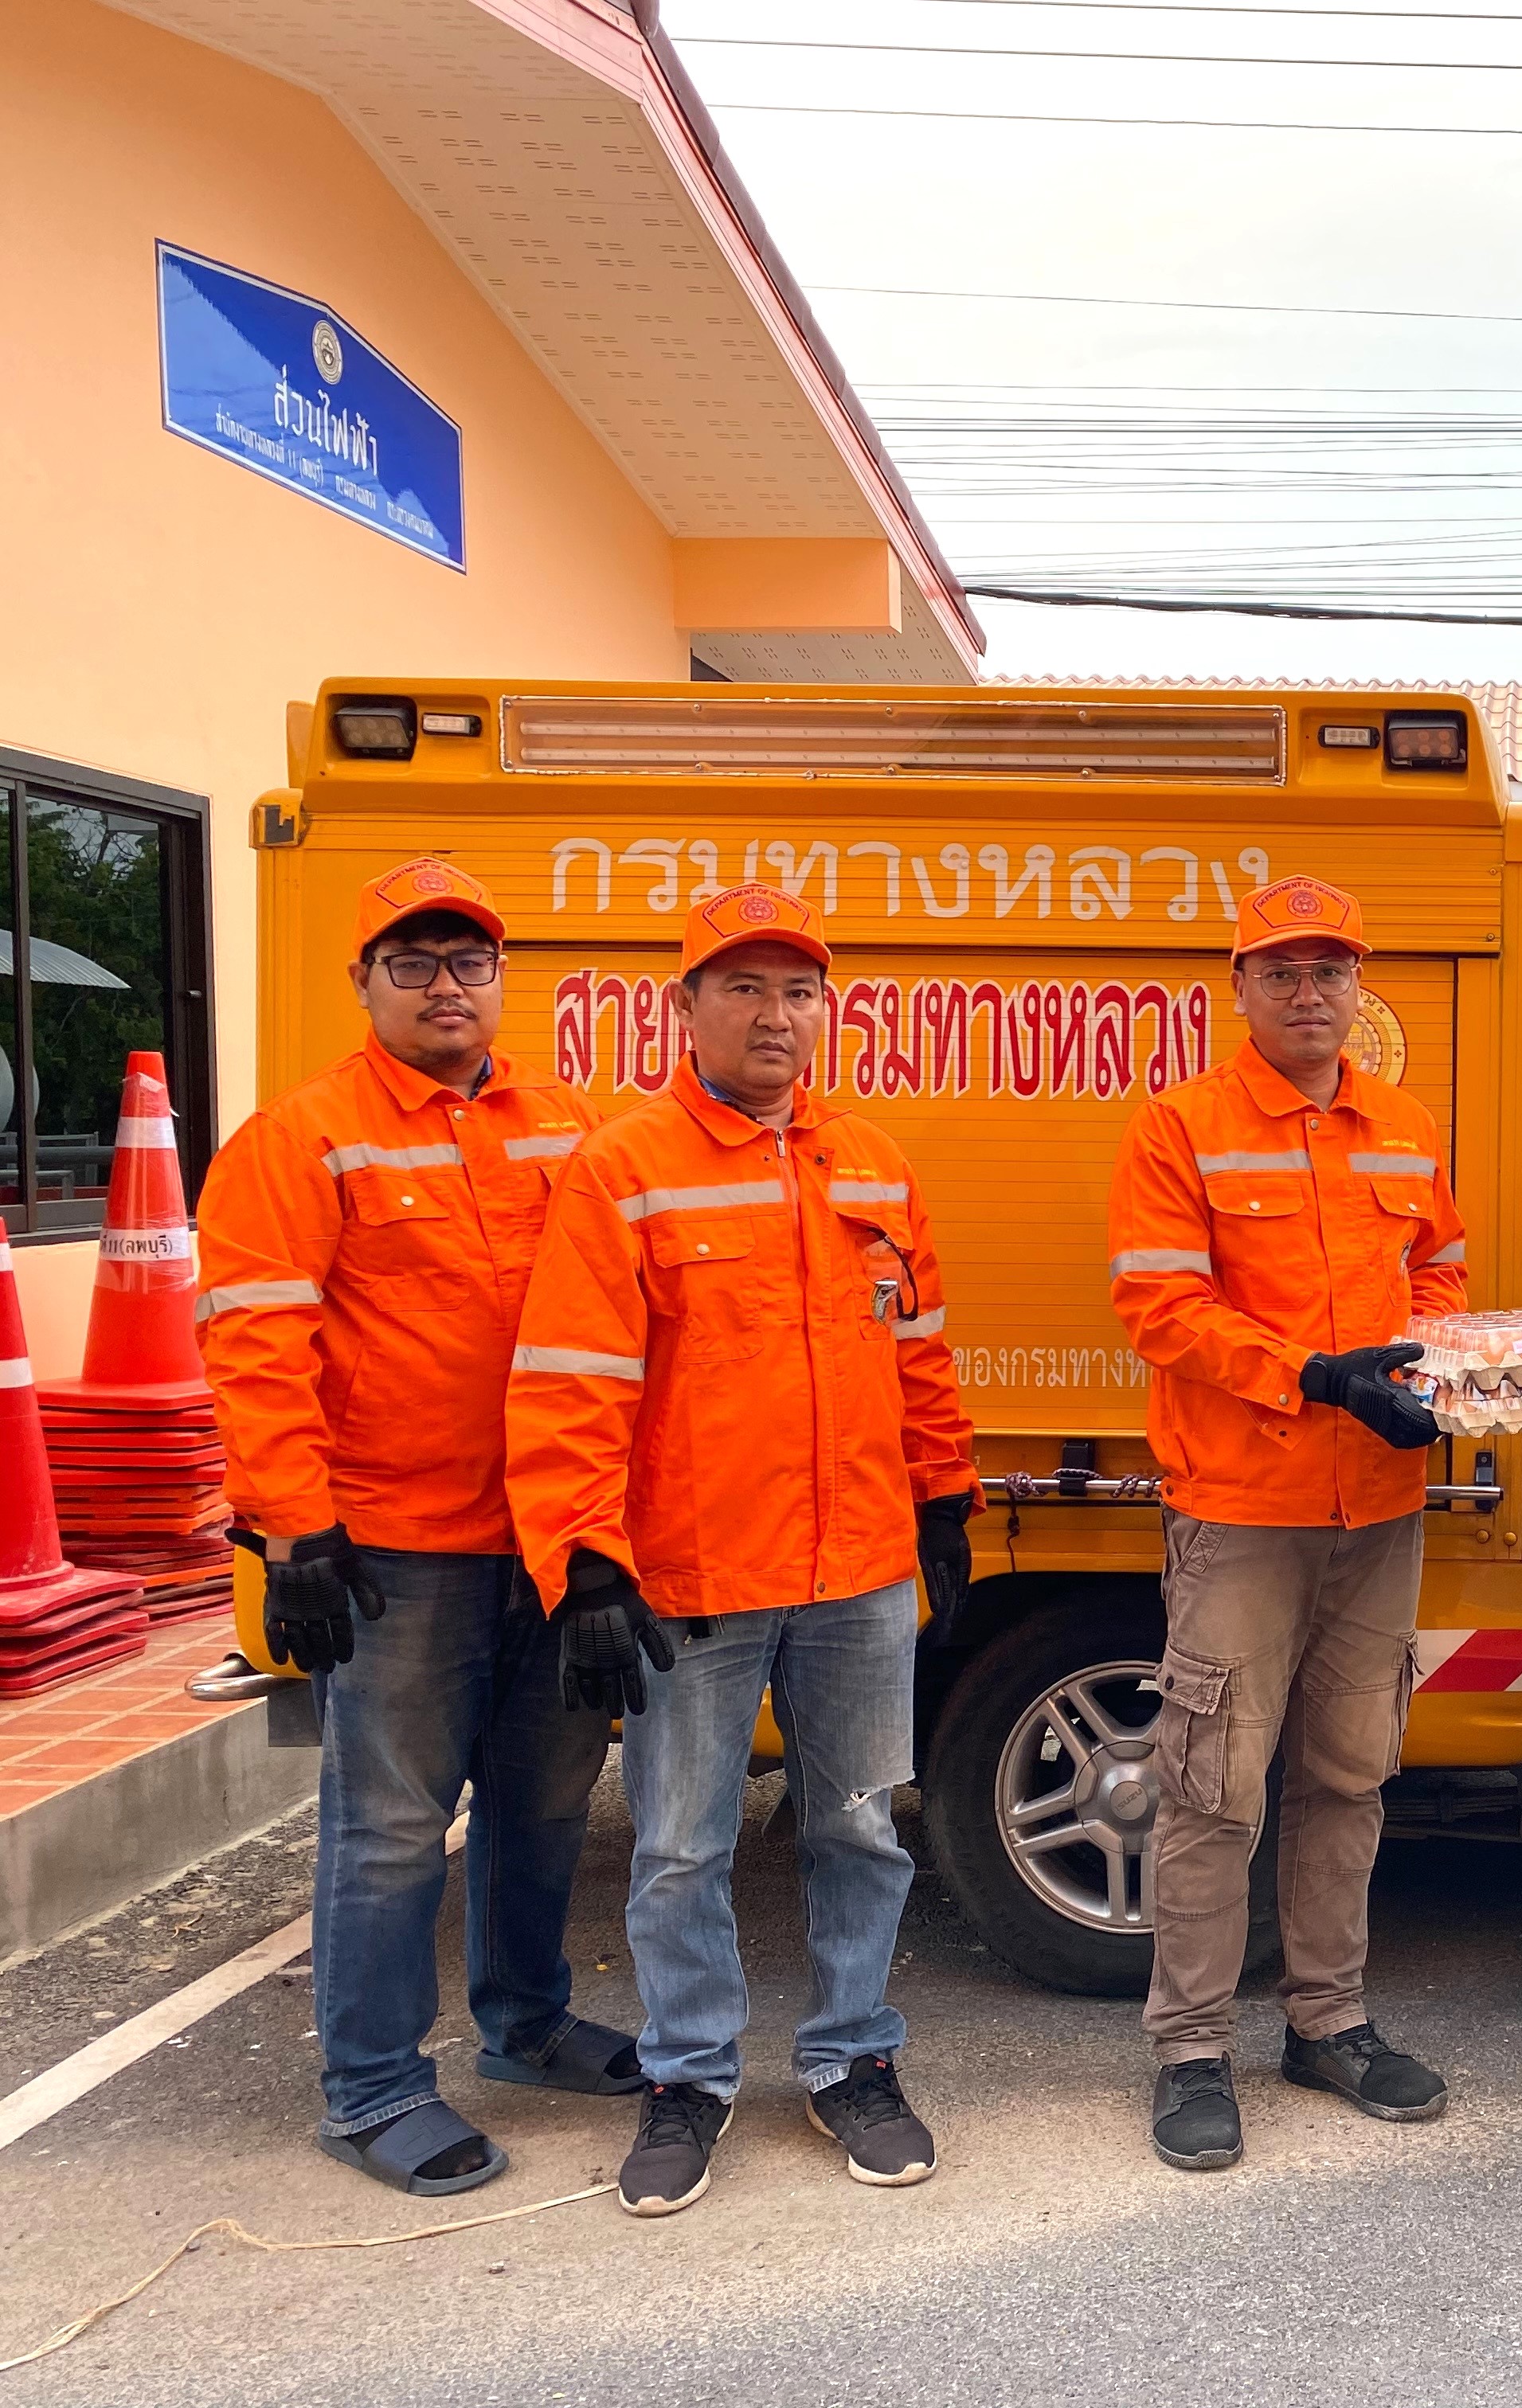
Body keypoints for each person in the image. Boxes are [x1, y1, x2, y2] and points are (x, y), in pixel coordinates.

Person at [506, 883, 979, 2218]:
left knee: (861, 1830)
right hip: (693, 1580)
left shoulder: (873, 1162)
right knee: (677, 1850)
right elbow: (570, 1379)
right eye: (745, 988)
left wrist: (944, 1495)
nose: (777, 1016)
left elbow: (918, 1351)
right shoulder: (626, 1168)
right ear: (686, 1007)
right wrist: (584, 1562)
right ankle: (687, 2078)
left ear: (827, 1011)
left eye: (799, 992)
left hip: (859, 1574)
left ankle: (852, 2060)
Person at [195, 856, 636, 2198]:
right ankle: (373, 2088)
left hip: (546, 1542)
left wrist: (607, 1529)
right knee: (391, 1829)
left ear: (501, 980)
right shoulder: (301, 1139)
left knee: (546, 1801)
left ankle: (528, 2024)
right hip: (396, 1554)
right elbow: (255, 1345)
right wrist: (293, 1530)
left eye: (469, 962)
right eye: (414, 963)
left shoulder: (569, 1123)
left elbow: (620, 1321)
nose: (446, 986)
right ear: (365, 983)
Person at [1106, 873, 1473, 2173]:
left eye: (1330, 969)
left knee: (1351, 1775)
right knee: (1212, 1791)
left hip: (1377, 1508)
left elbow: (1440, 1266)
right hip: (1243, 1509)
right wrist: (1314, 1377)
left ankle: (1328, 2023)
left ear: (1359, 986)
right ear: (1241, 988)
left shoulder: (1404, 1124)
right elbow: (1159, 1308)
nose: (1308, 992)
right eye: (1281, 971)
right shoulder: (1181, 1126)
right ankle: (1190, 2049)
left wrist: (1431, 1373)